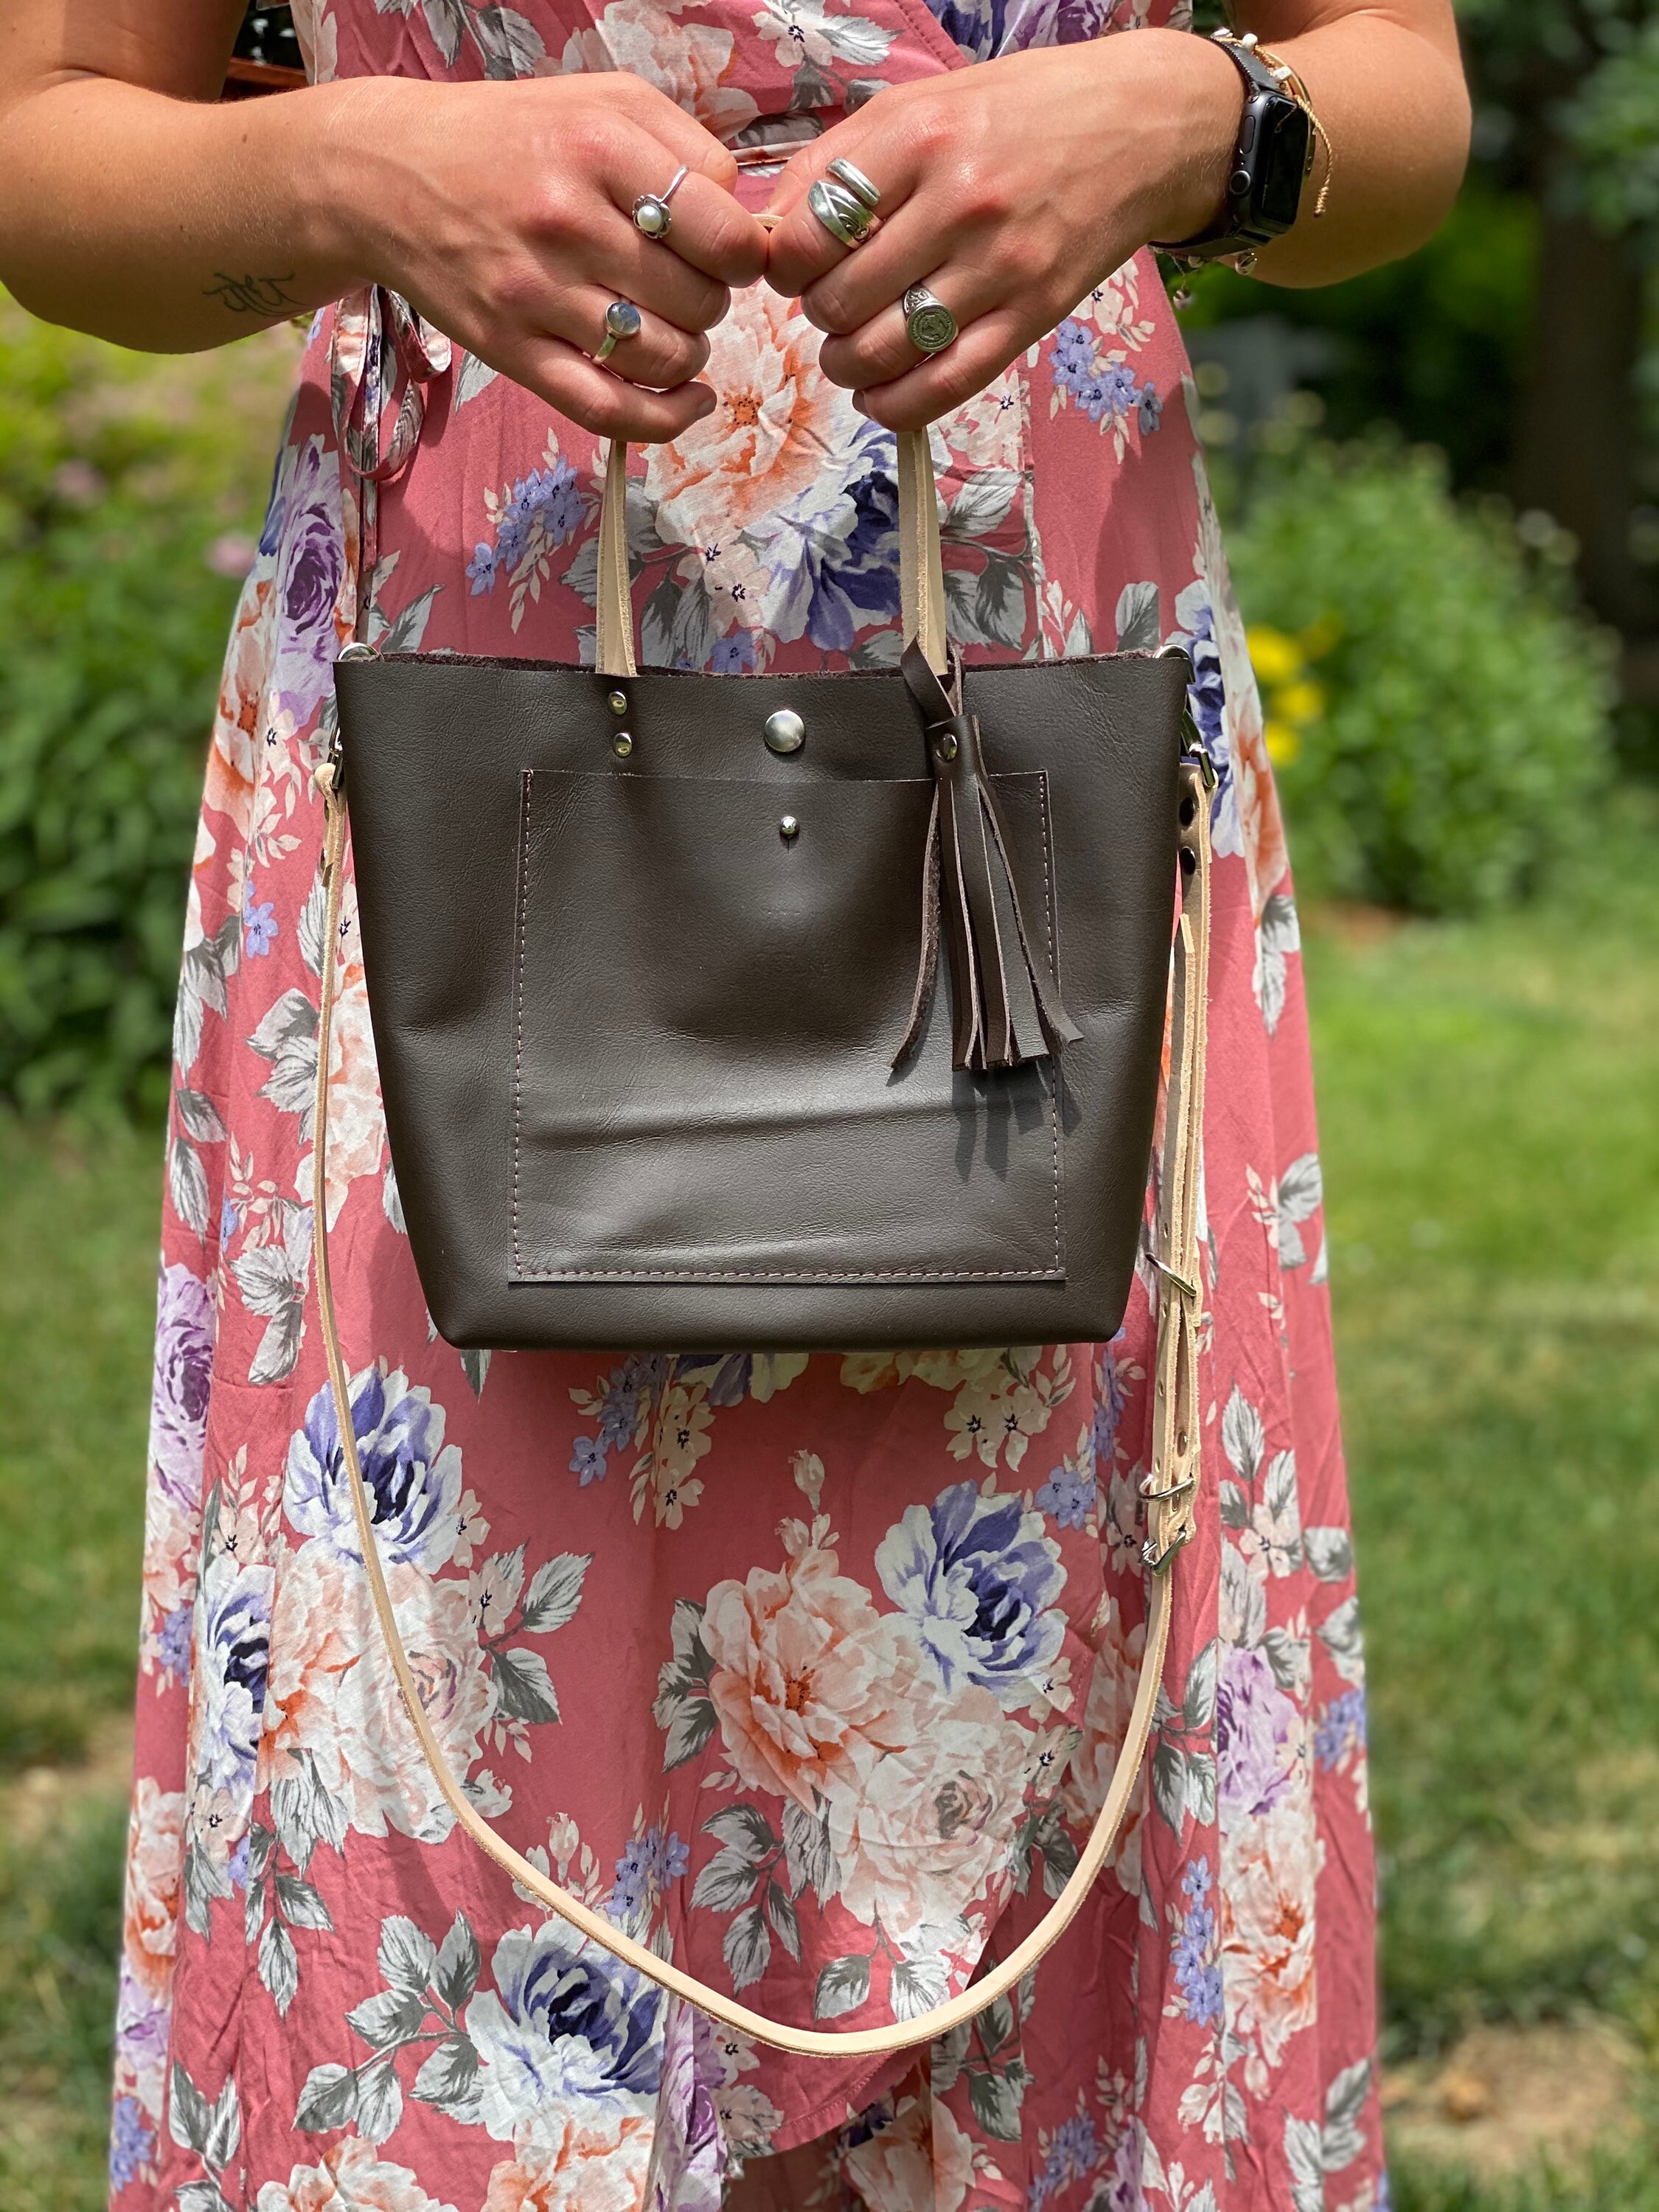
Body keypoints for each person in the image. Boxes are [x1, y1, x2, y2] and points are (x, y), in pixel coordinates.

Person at [0, 3, 1468, 2207]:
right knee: (455, 1783)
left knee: (1030, 1749)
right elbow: (49, 156)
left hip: (1018, 754)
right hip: (468, 765)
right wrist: (360, 170)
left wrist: (1198, 120)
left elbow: (1396, 94)